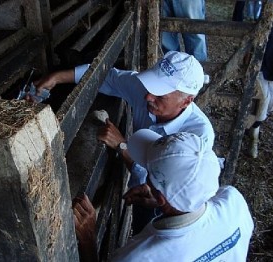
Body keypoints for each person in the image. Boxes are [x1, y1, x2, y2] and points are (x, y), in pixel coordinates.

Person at [32, 50, 215, 233]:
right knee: (138, 227)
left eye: (160, 95)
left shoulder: (198, 137)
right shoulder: (146, 92)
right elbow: (108, 77)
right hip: (142, 194)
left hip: (170, 213)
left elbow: (166, 190)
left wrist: (122, 146)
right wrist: (56, 77)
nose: (148, 97)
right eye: (152, 87)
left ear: (187, 101)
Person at [73, 131, 254, 262]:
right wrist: (162, 203)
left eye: (148, 173)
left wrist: (88, 238)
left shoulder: (139, 257)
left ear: (161, 198)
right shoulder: (234, 204)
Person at [248, 27, 273, 158]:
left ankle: (250, 126)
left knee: (269, 105)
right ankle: (254, 138)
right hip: (261, 66)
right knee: (261, 102)